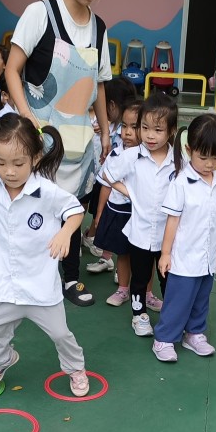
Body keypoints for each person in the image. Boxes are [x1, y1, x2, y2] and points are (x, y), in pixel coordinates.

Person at [0, 115, 91, 396]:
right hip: (3, 284)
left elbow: (75, 211)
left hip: (39, 285)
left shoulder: (47, 192)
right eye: (0, 163)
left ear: (35, 158)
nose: (9, 171)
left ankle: (76, 368)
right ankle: (3, 359)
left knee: (60, 333)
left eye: (18, 163)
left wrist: (65, 233)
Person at [5, 0, 113, 308]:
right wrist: (27, 118)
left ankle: (70, 277)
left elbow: (99, 83)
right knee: (33, 209)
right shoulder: (40, 13)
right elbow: (12, 70)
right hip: (40, 138)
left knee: (72, 210)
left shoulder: (99, 28)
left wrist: (106, 131)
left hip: (78, 140)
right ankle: (31, 277)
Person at [151, 114, 216, 362]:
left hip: (207, 256)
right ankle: (164, 338)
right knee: (178, 300)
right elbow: (172, 220)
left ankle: (194, 333)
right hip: (184, 257)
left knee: (201, 298)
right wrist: (165, 254)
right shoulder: (181, 183)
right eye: (203, 157)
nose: (209, 164)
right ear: (189, 150)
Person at [101, 93, 177, 337]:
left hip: (168, 234)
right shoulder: (132, 156)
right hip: (140, 233)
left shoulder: (177, 159)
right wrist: (130, 193)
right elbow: (107, 174)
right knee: (140, 277)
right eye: (145, 128)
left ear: (171, 131)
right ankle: (139, 315)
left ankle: (172, 317)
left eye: (158, 130)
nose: (150, 135)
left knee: (168, 277)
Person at [88, 99, 140, 305]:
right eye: (124, 126)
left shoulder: (148, 158)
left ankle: (146, 294)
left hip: (140, 213)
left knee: (145, 257)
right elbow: (106, 185)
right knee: (123, 253)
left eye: (134, 127)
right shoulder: (116, 153)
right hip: (118, 211)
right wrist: (100, 213)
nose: (127, 132)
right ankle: (123, 290)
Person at [82, 75, 137, 259]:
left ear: (111, 105)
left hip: (110, 180)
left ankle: (94, 239)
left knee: (103, 212)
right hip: (104, 177)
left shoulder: (121, 131)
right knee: (99, 211)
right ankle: (92, 237)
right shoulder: (108, 125)